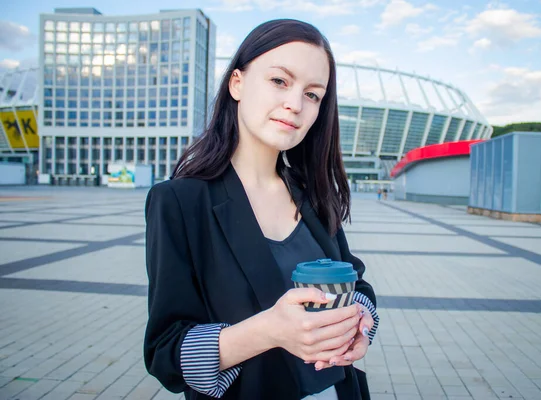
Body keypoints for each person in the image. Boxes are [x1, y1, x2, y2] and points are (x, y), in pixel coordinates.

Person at [144, 19, 379, 400]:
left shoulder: (312, 194)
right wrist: (268, 331)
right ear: (237, 83)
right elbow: (165, 353)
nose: (295, 104)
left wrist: (360, 326)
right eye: (280, 81)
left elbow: (358, 285)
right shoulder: (179, 202)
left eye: (313, 94)